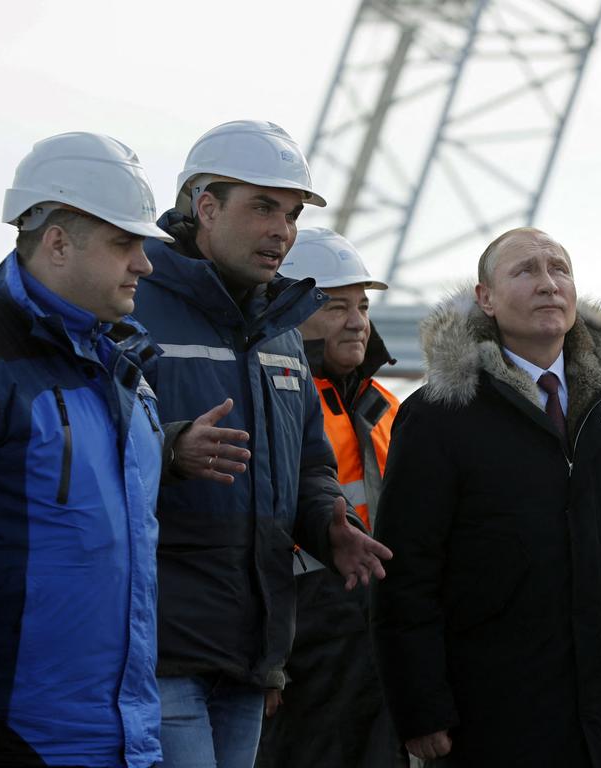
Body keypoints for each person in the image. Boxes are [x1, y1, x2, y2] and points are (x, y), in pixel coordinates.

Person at [371, 227, 601, 767]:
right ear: (484, 298)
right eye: (525, 271)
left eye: (558, 269)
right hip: (496, 709)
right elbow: (408, 571)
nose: (548, 283)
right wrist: (421, 707)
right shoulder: (438, 416)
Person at [132, 121, 392, 768]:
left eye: (292, 214)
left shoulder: (279, 332)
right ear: (205, 207)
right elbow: (78, 448)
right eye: (263, 207)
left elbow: (308, 461)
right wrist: (169, 449)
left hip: (253, 651)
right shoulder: (132, 309)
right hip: (161, 647)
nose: (282, 230)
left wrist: (328, 523)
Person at [0, 132, 170, 766]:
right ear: (56, 243)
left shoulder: (121, 365)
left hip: (127, 734)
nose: (145, 264)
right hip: (15, 729)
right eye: (123, 243)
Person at [256, 227, 405, 768]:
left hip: (374, 638)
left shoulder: (386, 407)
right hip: (300, 641)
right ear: (290, 309)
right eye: (335, 306)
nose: (356, 321)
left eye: (362, 306)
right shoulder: (272, 395)